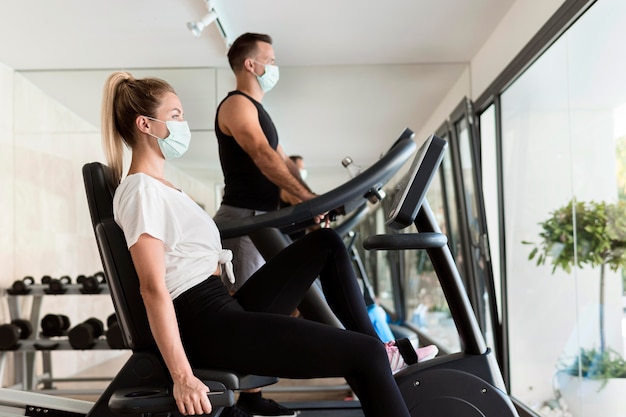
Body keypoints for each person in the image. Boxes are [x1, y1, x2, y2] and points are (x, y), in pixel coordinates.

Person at [100, 71, 438, 417]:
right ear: (145, 124)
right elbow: (152, 288)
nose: (183, 123)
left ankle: (385, 351)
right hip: (207, 326)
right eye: (175, 116)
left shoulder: (164, 187)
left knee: (325, 243)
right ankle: (379, 356)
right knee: (363, 355)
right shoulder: (142, 191)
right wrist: (182, 376)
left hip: (221, 308)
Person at [213, 33, 319, 295]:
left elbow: (283, 160)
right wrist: (306, 199)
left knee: (278, 296)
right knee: (246, 304)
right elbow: (262, 154)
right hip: (243, 218)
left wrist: (310, 200)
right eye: (269, 61)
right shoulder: (237, 104)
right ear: (251, 65)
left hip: (262, 219)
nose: (273, 67)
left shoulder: (259, 110)